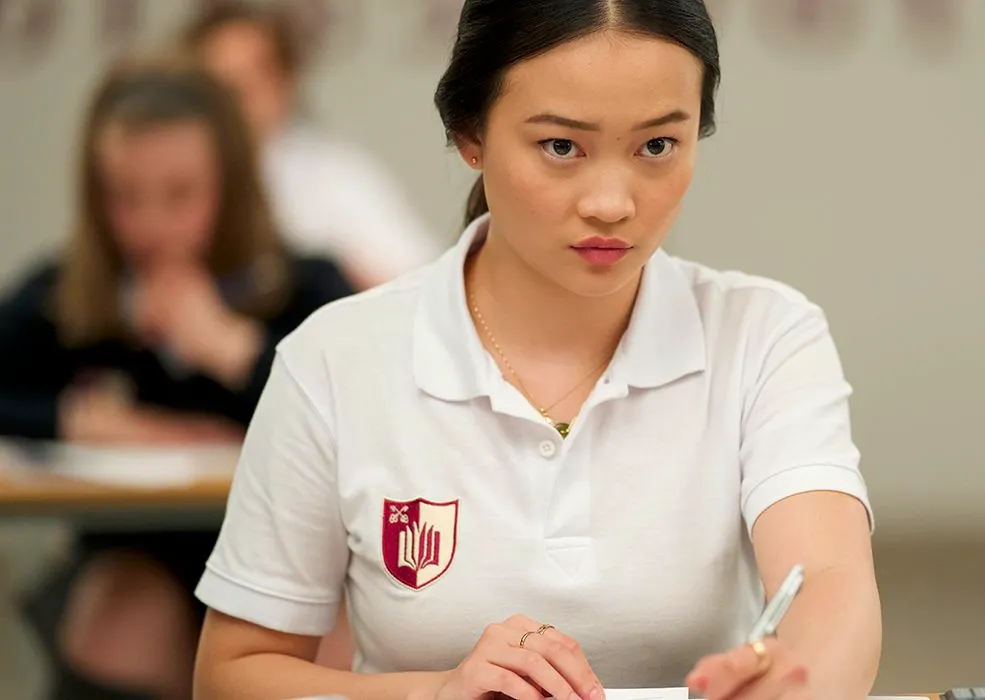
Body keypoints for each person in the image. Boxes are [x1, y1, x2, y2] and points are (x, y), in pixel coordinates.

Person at [191, 2, 881, 699]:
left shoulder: (763, 335)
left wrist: (794, 684)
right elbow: (231, 676)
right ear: (470, 133)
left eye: (657, 147)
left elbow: (830, 582)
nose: (612, 202)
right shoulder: (334, 361)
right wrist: (434, 693)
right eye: (561, 147)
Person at [0, 55, 354, 700]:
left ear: (231, 186)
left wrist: (233, 350)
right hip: (141, 561)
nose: (152, 224)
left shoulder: (305, 286)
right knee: (121, 618)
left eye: (181, 194)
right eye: (124, 198)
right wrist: (81, 421)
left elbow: (362, 407)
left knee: (333, 638)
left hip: (297, 567)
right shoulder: (68, 299)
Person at [182, 1, 442, 289]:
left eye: (252, 79)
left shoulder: (335, 174)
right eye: (221, 87)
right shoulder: (172, 182)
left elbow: (421, 284)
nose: (239, 100)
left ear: (285, 81)